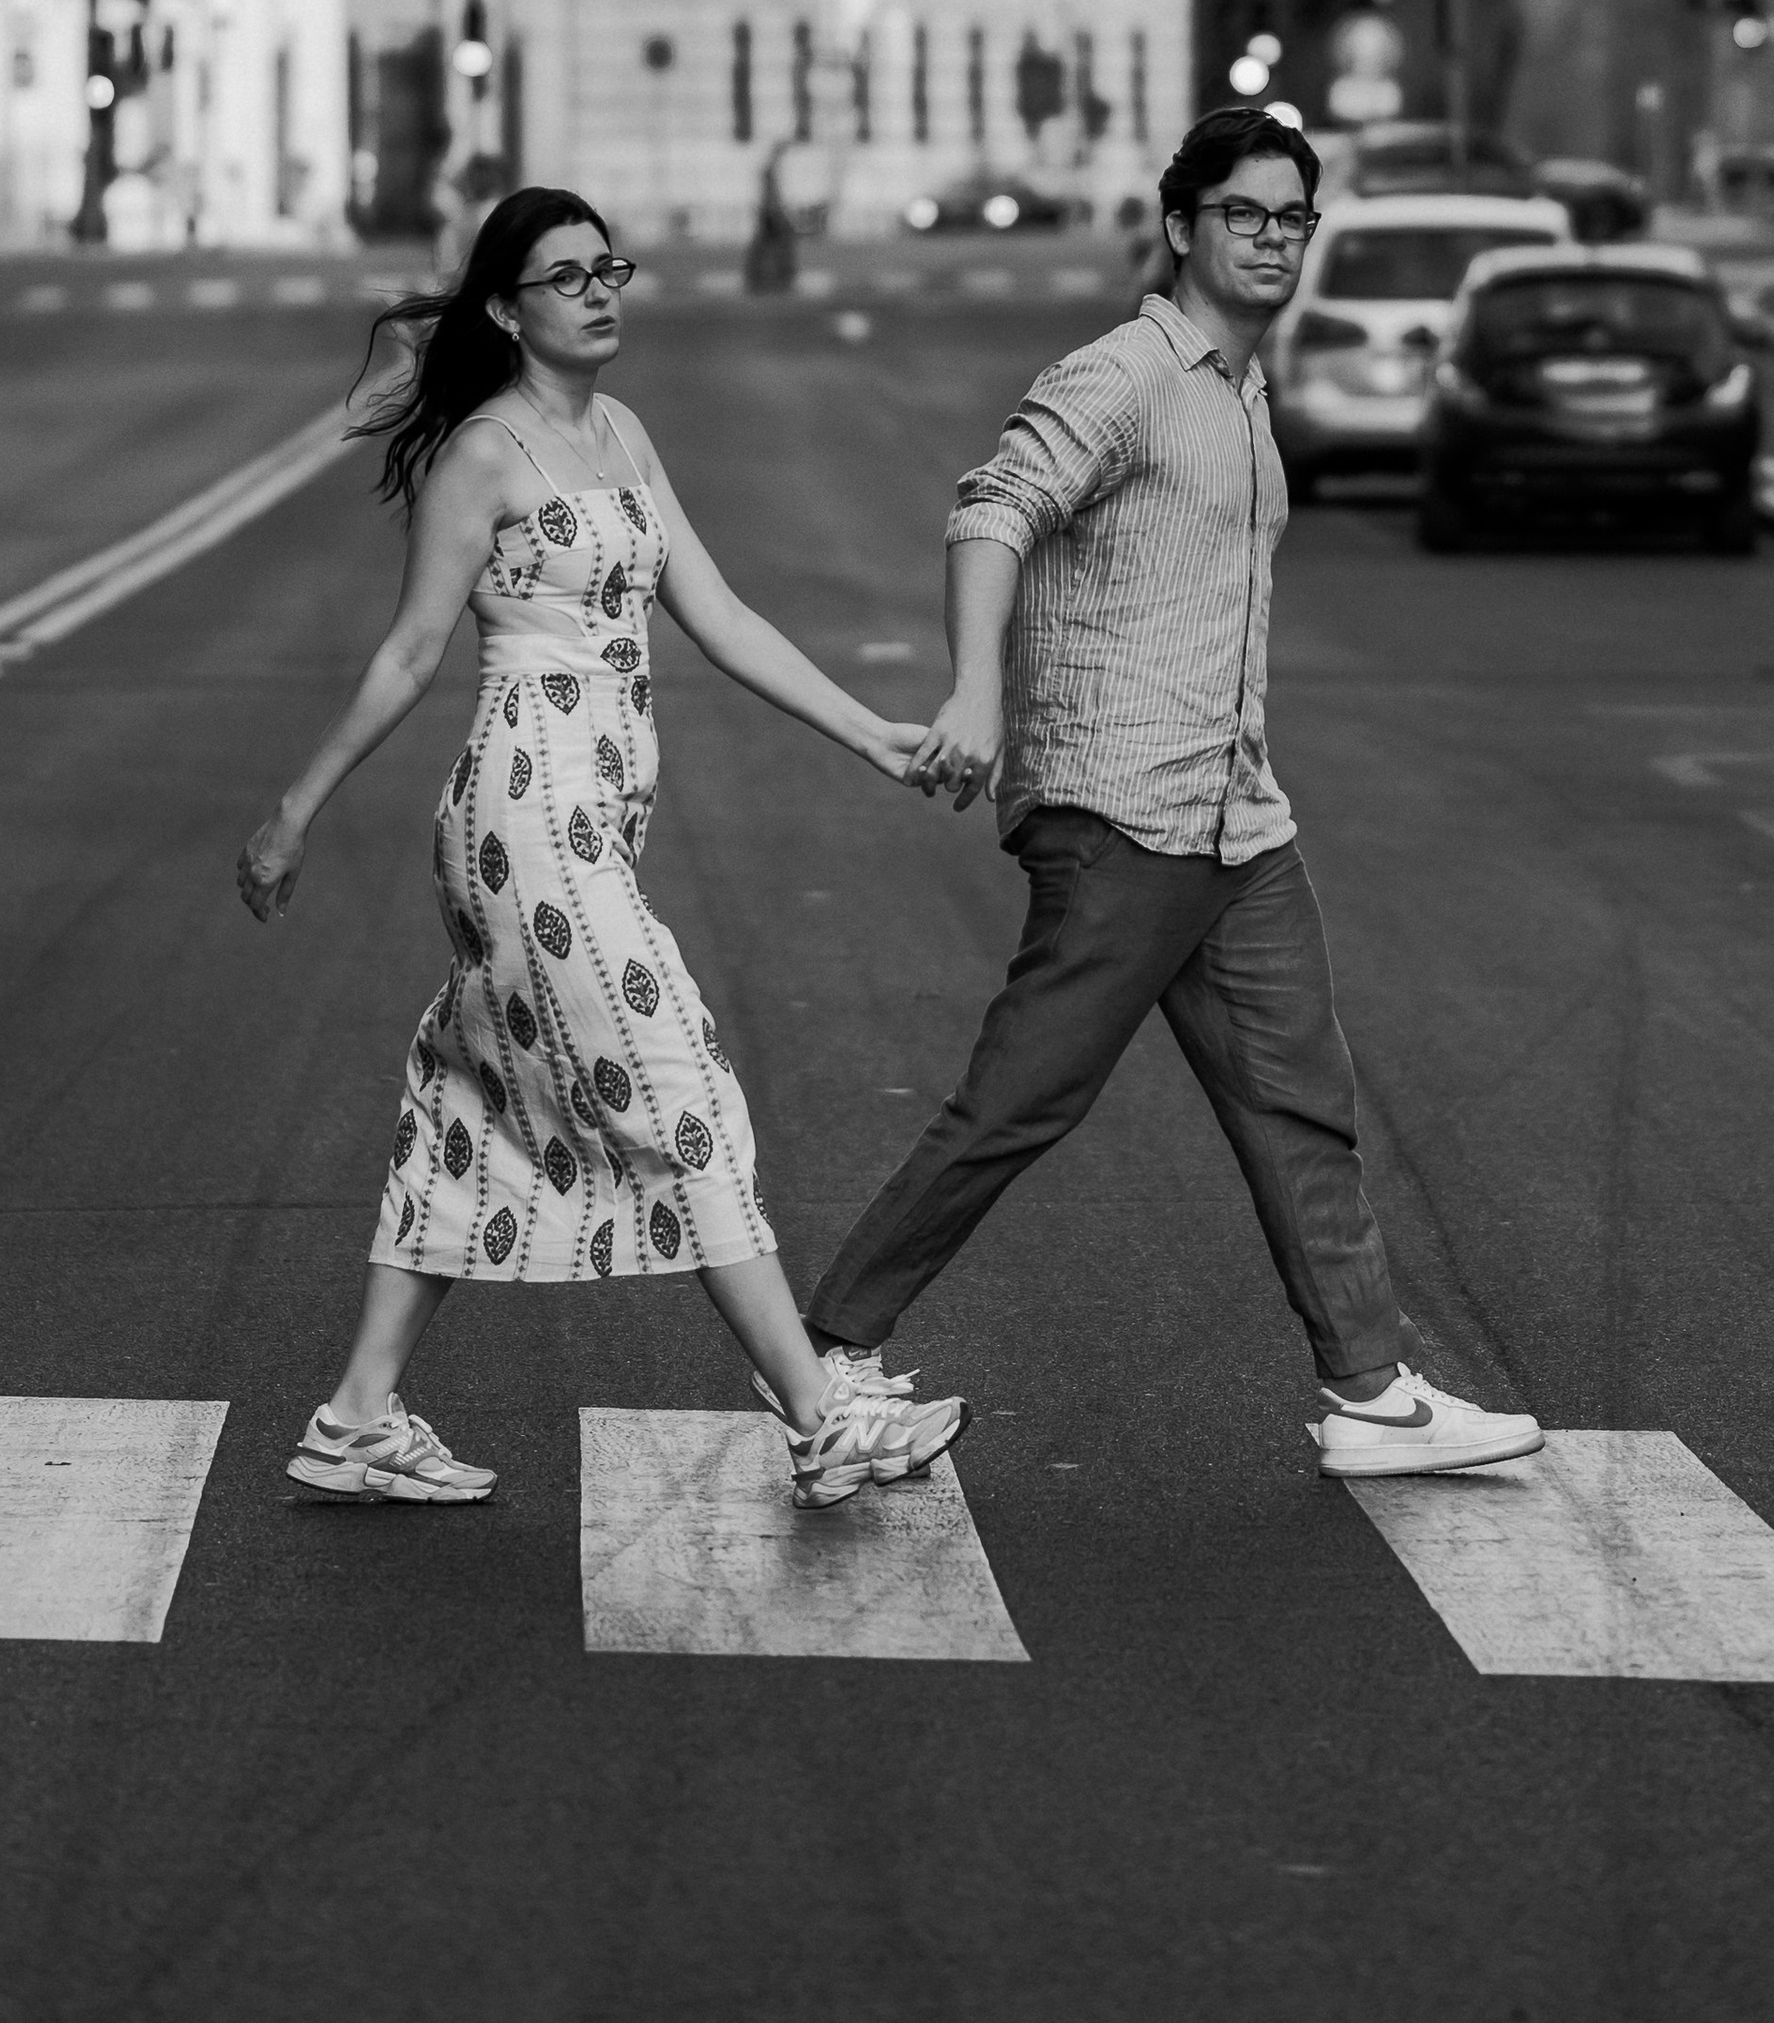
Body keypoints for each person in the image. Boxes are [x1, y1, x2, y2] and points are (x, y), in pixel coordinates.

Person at [805, 105, 1542, 1478]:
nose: (1273, 240)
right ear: (1185, 225)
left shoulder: (1242, 392)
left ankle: (1371, 1394)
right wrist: (973, 692)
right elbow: (992, 507)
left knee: (1300, 1098)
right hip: (1123, 810)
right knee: (1023, 1097)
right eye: (1246, 215)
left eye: (1292, 218)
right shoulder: (1128, 374)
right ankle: (829, 1354)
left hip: (1233, 816)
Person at [236, 184, 966, 1514]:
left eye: (607, 268)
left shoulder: (621, 431)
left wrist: (876, 736)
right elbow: (411, 651)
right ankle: (821, 1415)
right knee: (679, 1095)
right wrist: (296, 807)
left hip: (592, 824)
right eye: (565, 278)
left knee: (469, 1109)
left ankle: (355, 1420)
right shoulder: (485, 455)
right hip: (529, 817)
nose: (599, 292)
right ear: (508, 310)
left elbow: (721, 612)